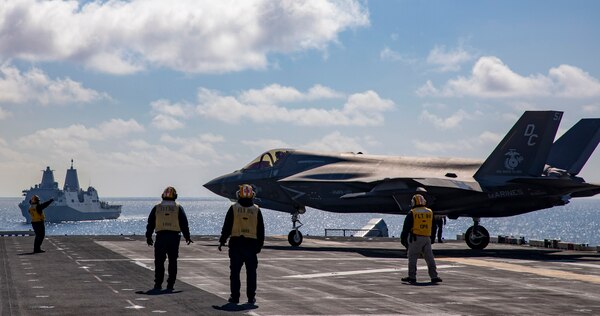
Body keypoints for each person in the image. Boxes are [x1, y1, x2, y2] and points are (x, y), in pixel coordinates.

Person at [218, 184, 265, 305]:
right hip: (251, 246)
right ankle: (251, 297)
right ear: (252, 195)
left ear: (239, 194)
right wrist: (259, 246)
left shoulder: (234, 208)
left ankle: (235, 297)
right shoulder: (256, 209)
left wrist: (222, 241)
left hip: (236, 246)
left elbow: (227, 227)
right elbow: (261, 230)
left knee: (234, 274)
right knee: (251, 274)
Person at [146, 186, 193, 291]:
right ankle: (170, 285)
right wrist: (187, 236)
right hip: (174, 238)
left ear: (162, 195)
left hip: (161, 237)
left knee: (159, 262)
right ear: (175, 196)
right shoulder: (178, 208)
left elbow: (151, 223)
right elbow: (184, 223)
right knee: (172, 261)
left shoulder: (157, 207)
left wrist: (148, 236)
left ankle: (158, 284)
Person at [400, 194, 442, 284]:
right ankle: (434, 276)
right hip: (427, 239)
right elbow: (434, 226)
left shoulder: (412, 212)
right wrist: (432, 238)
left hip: (415, 239)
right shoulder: (429, 212)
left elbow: (406, 228)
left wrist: (403, 239)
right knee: (430, 258)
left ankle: (412, 277)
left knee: (412, 258)